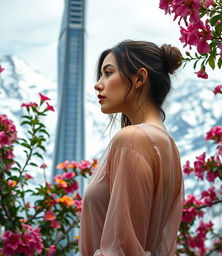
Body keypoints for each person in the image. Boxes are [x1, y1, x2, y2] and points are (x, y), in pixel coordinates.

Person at [79, 40, 184, 256]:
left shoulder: (133, 138)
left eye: (108, 73)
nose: (98, 84)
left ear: (139, 78)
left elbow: (120, 249)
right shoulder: (168, 145)